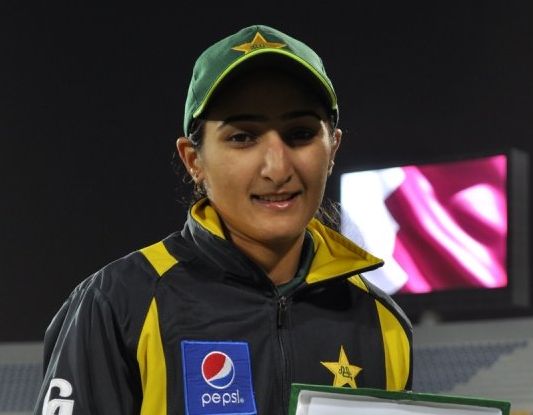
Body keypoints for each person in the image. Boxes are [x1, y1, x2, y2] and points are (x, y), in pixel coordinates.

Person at [34, 24, 412, 415]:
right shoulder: (118, 302)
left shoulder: (381, 323)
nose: (277, 168)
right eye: (242, 137)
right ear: (193, 159)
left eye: (299, 133)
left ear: (332, 147)